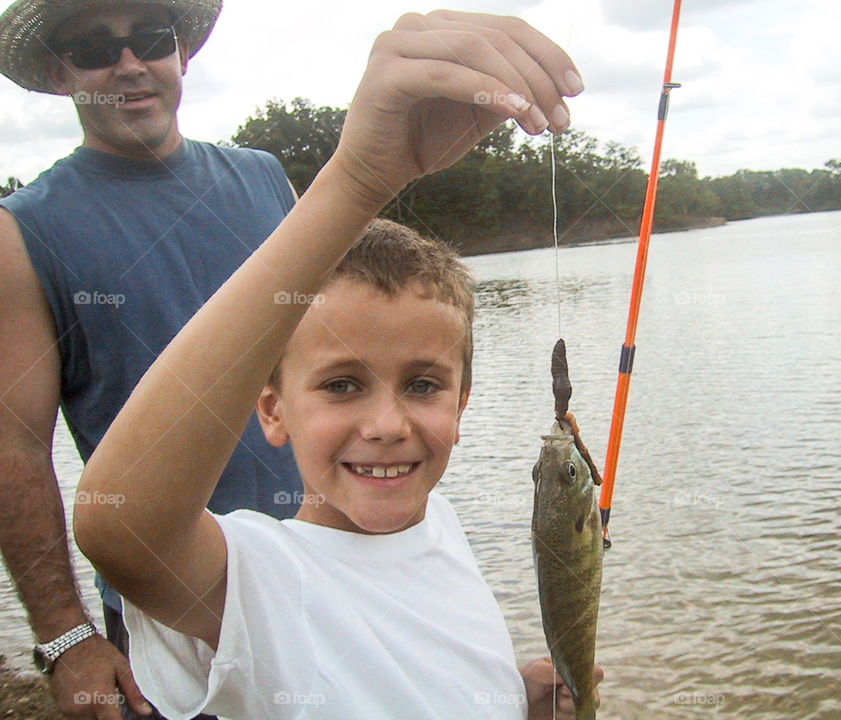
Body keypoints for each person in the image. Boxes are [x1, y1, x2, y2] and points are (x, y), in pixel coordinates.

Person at [73, 8, 602, 719]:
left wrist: (512, 698)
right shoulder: (263, 580)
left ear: (464, 399)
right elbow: (123, 529)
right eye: (342, 385)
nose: (386, 424)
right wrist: (355, 181)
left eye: (422, 384)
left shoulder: (439, 524)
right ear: (272, 409)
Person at [0, 1, 301, 717]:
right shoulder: (23, 234)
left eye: (152, 39)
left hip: (316, 577)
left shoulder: (266, 182)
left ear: (183, 52)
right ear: (57, 69)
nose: (129, 65)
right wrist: (66, 640)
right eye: (95, 47)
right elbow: (13, 448)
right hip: (168, 625)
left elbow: (333, 372)